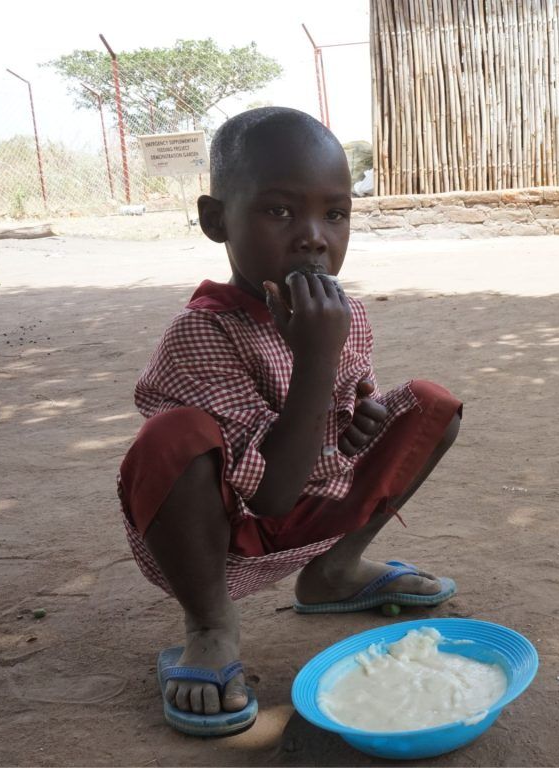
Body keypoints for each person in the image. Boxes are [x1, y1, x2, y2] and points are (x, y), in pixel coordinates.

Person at [117, 106, 461, 736]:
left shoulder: (343, 315)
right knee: (172, 437)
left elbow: (338, 419)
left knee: (430, 405)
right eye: (279, 211)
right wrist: (316, 359)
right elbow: (270, 497)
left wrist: (356, 422)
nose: (313, 237)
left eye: (335, 213)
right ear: (215, 220)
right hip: (224, 535)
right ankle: (210, 626)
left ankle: (333, 573)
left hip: (315, 500)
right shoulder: (201, 333)